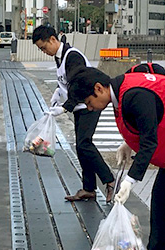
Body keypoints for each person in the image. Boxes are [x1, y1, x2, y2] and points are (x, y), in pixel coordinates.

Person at [67, 66, 165, 250]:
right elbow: (147, 123)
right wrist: (130, 145)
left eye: (89, 102)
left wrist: (129, 181)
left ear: (99, 88)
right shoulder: (122, 91)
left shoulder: (134, 96)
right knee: (159, 198)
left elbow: (149, 142)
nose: (90, 108)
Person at [32, 25, 115, 202]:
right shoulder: (59, 56)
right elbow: (67, 82)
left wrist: (64, 108)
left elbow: (78, 84)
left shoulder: (72, 56)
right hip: (80, 105)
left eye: (44, 47)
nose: (44, 51)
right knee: (81, 146)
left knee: (85, 144)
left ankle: (110, 180)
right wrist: (58, 92)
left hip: (89, 103)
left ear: (53, 40)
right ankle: (89, 188)